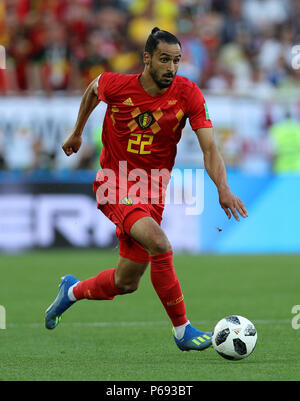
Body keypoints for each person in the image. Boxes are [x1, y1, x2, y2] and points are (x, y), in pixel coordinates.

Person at [45, 28, 248, 352]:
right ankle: (182, 329)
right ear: (147, 58)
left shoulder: (188, 94)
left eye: (177, 60)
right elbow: (94, 89)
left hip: (152, 191)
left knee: (125, 282)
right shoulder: (119, 85)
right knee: (159, 241)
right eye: (165, 59)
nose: (171, 67)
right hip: (114, 182)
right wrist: (77, 132)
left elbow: (210, 148)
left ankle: (71, 291)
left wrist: (223, 188)